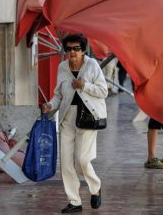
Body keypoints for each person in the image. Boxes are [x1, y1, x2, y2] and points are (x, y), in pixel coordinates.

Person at [42, 33, 108, 213]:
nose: (72, 52)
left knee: (82, 161)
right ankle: (74, 201)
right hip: (67, 118)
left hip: (87, 117)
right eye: (69, 48)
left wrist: (84, 86)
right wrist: (50, 105)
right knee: (66, 164)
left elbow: (103, 91)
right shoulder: (62, 67)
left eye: (76, 49)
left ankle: (95, 187)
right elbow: (59, 94)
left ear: (83, 50)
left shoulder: (92, 65)